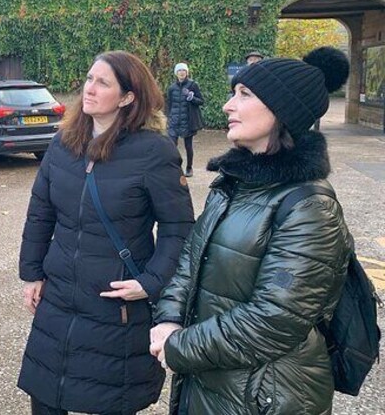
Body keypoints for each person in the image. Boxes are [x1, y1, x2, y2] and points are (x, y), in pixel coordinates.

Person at [150, 46, 352, 414]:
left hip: (264, 396)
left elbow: (274, 320)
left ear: (282, 112)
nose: (228, 105)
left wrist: (179, 347)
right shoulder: (232, 183)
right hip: (211, 379)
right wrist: (168, 319)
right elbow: (190, 263)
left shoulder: (310, 206)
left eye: (244, 95)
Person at [18, 51, 195, 415]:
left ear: (128, 97)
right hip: (59, 296)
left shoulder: (153, 151)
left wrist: (150, 282)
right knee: (46, 393)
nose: (90, 89)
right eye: (88, 79)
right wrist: (32, 272)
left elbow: (179, 228)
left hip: (114, 305)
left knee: (110, 399)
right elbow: (41, 212)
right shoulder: (63, 142)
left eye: (103, 82)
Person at [166, 63, 204, 177]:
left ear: (187, 72)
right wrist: (169, 117)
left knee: (188, 146)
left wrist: (192, 98)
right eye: (179, 71)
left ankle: (189, 168)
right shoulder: (172, 88)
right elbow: (169, 104)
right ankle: (174, 168)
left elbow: (201, 101)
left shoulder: (193, 85)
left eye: (183, 70)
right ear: (176, 73)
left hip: (188, 121)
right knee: (172, 146)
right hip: (174, 121)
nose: (181, 72)